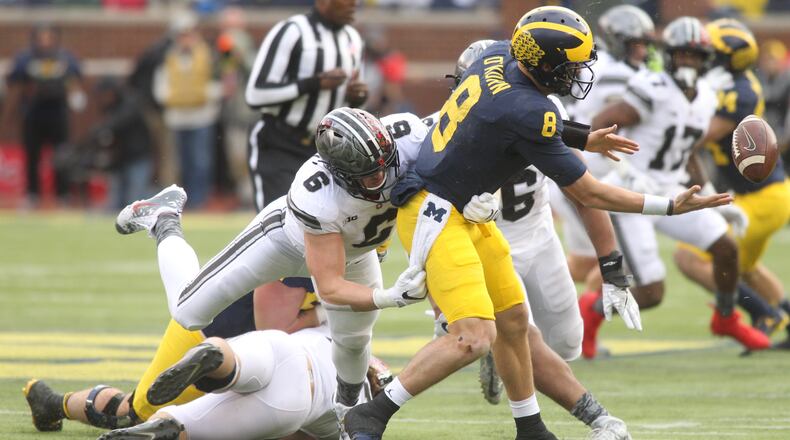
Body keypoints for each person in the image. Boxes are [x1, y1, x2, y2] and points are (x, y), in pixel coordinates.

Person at [344, 7, 731, 440]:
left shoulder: (495, 54)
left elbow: (509, 111)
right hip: (438, 214)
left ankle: (530, 427)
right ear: (544, 64)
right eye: (571, 65)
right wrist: (669, 206)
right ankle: (372, 414)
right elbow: (589, 193)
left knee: (513, 322)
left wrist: (582, 135)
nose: (578, 73)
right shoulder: (529, 109)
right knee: (474, 337)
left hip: (468, 209)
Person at [110, 107, 431, 436]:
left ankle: (346, 412)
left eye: (385, 164)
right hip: (282, 243)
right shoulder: (318, 193)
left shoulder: (410, 135)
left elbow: (458, 132)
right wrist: (391, 296)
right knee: (186, 311)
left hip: (355, 254)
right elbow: (330, 287)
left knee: (354, 339)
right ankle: (164, 219)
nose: (383, 178)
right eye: (369, 175)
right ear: (342, 173)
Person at [584, 16, 771, 358]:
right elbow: (599, 125)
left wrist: (712, 195)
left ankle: (726, 318)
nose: (687, 61)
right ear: (669, 55)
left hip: (674, 193)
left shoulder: (706, 97)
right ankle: (589, 317)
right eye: (681, 54)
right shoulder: (652, 86)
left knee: (726, 248)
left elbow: (686, 152)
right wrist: (625, 170)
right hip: (633, 195)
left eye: (694, 56)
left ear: (705, 60)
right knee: (652, 293)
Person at [23, 278, 321, 433]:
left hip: (248, 348)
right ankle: (53, 404)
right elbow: (274, 329)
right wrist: (323, 315)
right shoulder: (308, 239)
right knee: (134, 415)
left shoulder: (355, 241)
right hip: (208, 333)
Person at [673, 18, 790, 345]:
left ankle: (764, 312)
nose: (701, 56)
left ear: (725, 58)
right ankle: (783, 317)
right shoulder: (724, 81)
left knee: (688, 258)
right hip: (758, 195)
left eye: (709, 51)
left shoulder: (738, 91)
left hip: (762, 197)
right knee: (747, 269)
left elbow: (698, 137)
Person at [96, 327, 394, 440]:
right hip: (295, 402)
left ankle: (218, 356)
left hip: (282, 346)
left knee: (236, 361)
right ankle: (161, 428)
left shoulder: (338, 333)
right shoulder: (357, 417)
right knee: (185, 423)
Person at [556, 4, 656, 294]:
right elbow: (607, 125)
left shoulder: (599, 66)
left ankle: (530, 288)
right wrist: (625, 168)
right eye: (636, 45)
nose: (642, 53)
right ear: (619, 41)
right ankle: (580, 332)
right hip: (582, 176)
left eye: (644, 45)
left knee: (585, 262)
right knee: (617, 265)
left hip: (580, 170)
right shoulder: (616, 73)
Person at [245, 0, 367, 211]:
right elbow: (255, 95)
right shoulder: (292, 31)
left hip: (326, 150)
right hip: (280, 142)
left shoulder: (352, 38)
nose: (354, 3)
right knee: (280, 221)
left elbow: (351, 98)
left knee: (329, 225)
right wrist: (314, 83)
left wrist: (357, 97)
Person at [2, 23, 85, 207]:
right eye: (42, 36)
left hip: (58, 113)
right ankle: (32, 194)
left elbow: (75, 81)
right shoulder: (25, 58)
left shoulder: (65, 58)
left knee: (62, 155)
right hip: (33, 113)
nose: (45, 41)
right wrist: (9, 115)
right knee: (32, 155)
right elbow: (15, 84)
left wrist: (77, 99)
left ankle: (63, 193)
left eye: (49, 36)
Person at [153, 12, 221, 209]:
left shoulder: (208, 55)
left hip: (201, 117)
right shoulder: (168, 57)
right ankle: (180, 202)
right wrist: (175, 98)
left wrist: (203, 97)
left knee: (200, 162)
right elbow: (160, 87)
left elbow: (217, 84)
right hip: (177, 118)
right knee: (178, 163)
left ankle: (199, 200)